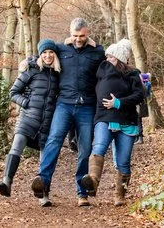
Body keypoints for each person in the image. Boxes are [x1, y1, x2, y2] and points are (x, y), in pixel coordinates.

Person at [31, 18, 105, 207]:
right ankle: (43, 182)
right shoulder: (60, 49)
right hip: (63, 104)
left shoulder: (97, 52)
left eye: (81, 36)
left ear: (88, 33)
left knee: (85, 148)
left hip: (87, 106)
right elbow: (43, 56)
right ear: (69, 33)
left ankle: (82, 193)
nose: (78, 39)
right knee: (54, 140)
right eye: (74, 35)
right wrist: (27, 64)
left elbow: (112, 64)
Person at [0, 39, 60, 207]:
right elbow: (13, 92)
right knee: (16, 147)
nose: (48, 56)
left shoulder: (59, 74)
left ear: (55, 55)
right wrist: (25, 102)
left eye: (51, 52)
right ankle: (6, 183)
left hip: (47, 123)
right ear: (40, 55)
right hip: (27, 118)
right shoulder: (31, 70)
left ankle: (43, 195)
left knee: (45, 159)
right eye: (44, 53)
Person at [80, 39, 144, 206]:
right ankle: (92, 181)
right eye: (107, 57)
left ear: (121, 59)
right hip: (104, 118)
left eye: (112, 58)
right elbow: (92, 55)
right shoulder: (102, 70)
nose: (108, 60)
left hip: (126, 121)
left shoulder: (133, 74)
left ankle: (120, 195)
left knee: (123, 161)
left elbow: (139, 96)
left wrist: (119, 103)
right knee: (99, 147)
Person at [134, 73, 151, 144]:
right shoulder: (147, 84)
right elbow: (148, 94)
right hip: (142, 105)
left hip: (138, 106)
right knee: (138, 121)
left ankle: (139, 138)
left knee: (137, 121)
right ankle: (138, 137)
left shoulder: (141, 85)